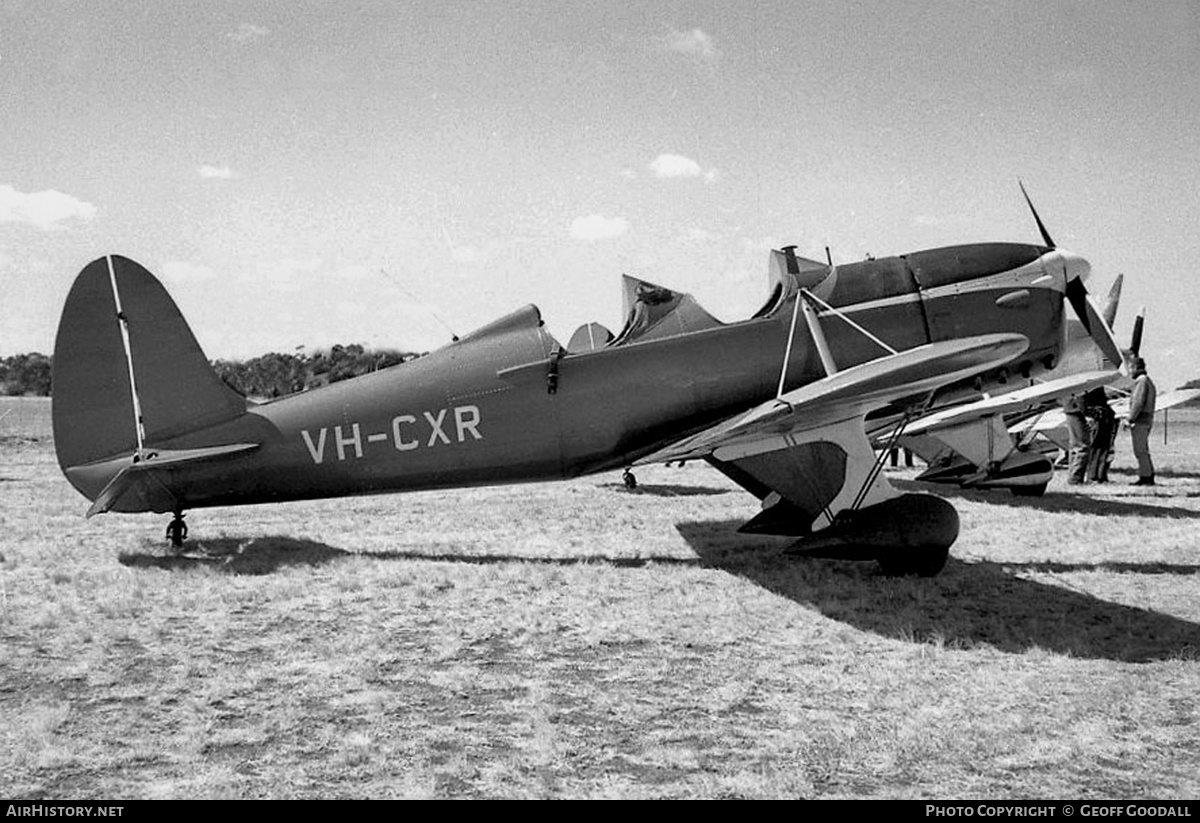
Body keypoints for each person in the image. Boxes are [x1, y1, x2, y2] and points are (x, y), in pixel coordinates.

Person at [1125, 357, 1157, 485]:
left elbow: (1138, 402)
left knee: (1140, 450)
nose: (1129, 372)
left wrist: (1130, 418)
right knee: (1143, 449)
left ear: (1135, 367)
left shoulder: (1141, 382)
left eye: (1130, 368)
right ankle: (1148, 473)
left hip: (1140, 421)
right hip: (1146, 419)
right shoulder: (1147, 381)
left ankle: (1146, 477)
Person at [1084, 386, 1117, 483]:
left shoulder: (1098, 385)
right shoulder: (1089, 385)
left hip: (1105, 417)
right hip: (1097, 417)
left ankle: (1101, 475)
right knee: (1096, 448)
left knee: (1104, 448)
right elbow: (1083, 401)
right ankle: (1092, 477)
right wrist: (1088, 415)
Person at [1062, 392, 1090, 484]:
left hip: (1070, 409)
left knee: (1075, 447)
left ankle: (1073, 477)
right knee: (1081, 447)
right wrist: (1087, 414)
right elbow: (1080, 394)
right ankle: (1076, 479)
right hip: (1076, 412)